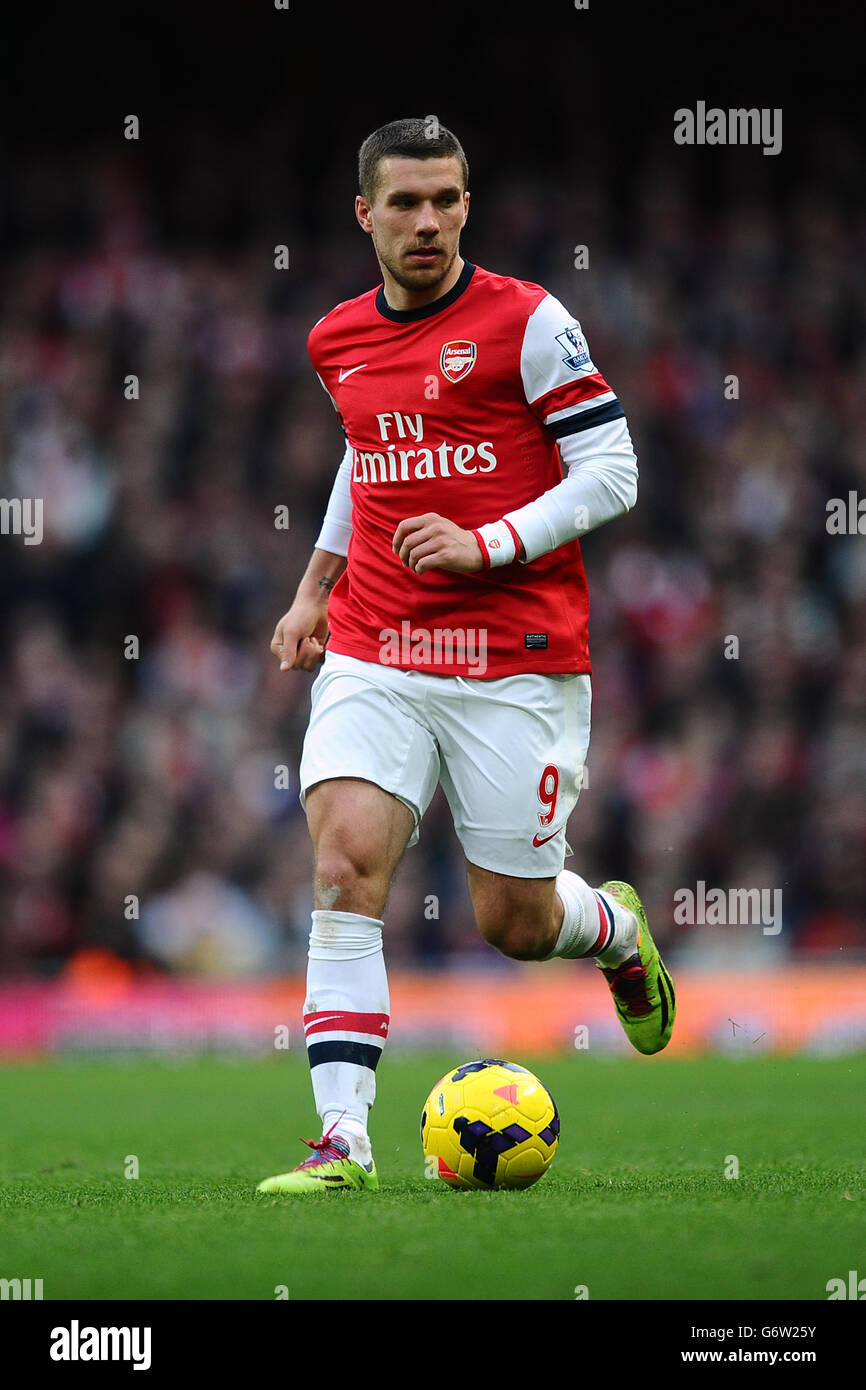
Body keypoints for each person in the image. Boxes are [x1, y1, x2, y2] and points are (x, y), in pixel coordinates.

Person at [258, 118, 675, 1195]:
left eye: (445, 199)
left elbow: (613, 468)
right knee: (344, 860)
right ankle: (341, 1140)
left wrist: (486, 542)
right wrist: (314, 591)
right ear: (365, 214)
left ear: (466, 205)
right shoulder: (335, 340)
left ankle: (614, 929)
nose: (428, 221)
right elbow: (369, 460)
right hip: (379, 643)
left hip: (515, 660)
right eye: (404, 203)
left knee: (513, 922)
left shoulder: (529, 323)